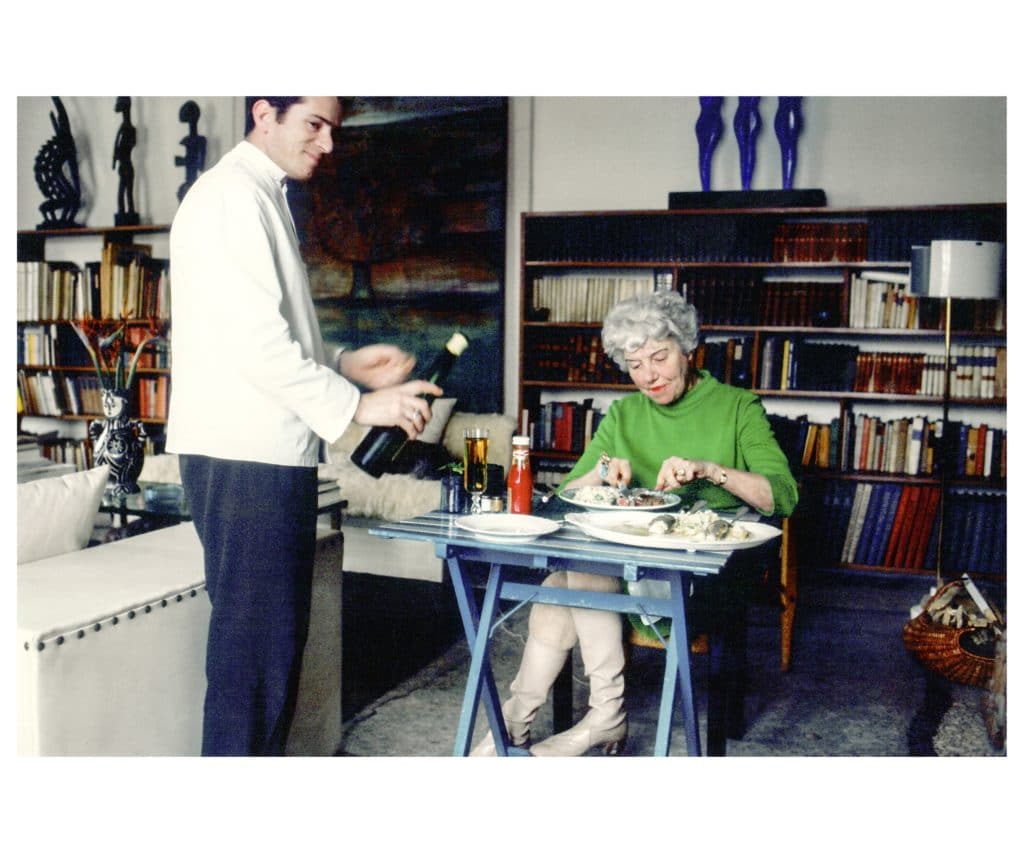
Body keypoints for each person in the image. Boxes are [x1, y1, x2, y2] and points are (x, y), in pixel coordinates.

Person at [167, 96, 441, 756]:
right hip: (246, 458)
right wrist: (359, 407)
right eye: (314, 124)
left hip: (262, 455)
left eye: (332, 129)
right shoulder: (231, 197)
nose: (327, 143)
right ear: (265, 112)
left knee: (268, 661)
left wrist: (343, 363)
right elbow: (257, 346)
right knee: (254, 669)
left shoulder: (259, 193)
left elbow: (266, 330)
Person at [472, 289, 798, 756]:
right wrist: (603, 471)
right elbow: (567, 493)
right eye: (635, 364)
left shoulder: (737, 407)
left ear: (687, 349)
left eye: (660, 358)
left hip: (701, 579)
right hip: (623, 570)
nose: (649, 376)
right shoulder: (624, 414)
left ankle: (577, 720)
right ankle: (529, 722)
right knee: (559, 589)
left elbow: (782, 495)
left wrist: (710, 469)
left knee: (573, 579)